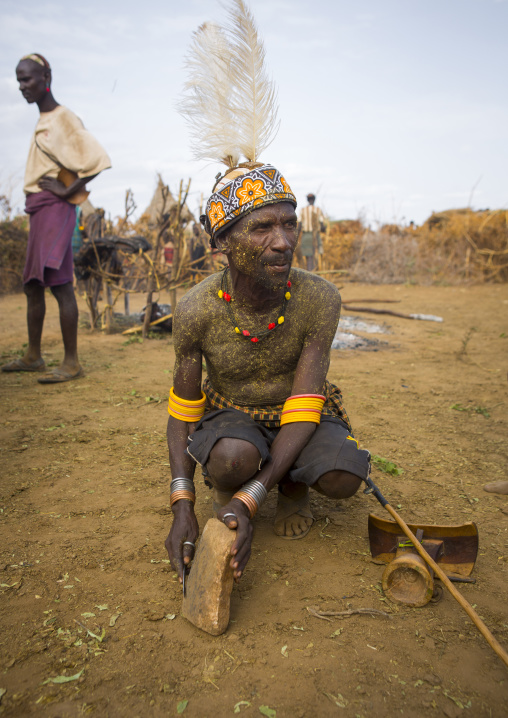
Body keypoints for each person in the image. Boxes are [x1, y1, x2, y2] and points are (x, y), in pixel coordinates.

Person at [164, 164, 371, 584]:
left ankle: (288, 487)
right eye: (261, 228)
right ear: (222, 240)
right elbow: (182, 413)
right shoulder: (195, 309)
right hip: (232, 415)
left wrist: (250, 500)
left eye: (289, 225)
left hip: (300, 414)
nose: (283, 242)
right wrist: (182, 504)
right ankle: (240, 477)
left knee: (344, 474)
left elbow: (304, 405)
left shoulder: (319, 298)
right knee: (230, 460)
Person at [1, 53, 111, 383]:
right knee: (32, 285)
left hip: (54, 208)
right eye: (19, 79)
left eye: (28, 79)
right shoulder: (43, 118)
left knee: (59, 284)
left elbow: (98, 159)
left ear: (46, 76)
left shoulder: (64, 118)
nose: (22, 86)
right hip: (38, 208)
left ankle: (71, 362)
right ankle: (33, 356)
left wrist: (66, 192)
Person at [298, 193, 326, 271]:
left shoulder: (303, 210)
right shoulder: (318, 210)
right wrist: (324, 229)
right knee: (315, 253)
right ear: (314, 200)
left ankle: (309, 270)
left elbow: (299, 224)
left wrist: (296, 235)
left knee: (308, 255)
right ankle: (313, 270)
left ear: (307, 200)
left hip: (306, 235)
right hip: (315, 235)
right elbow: (322, 224)